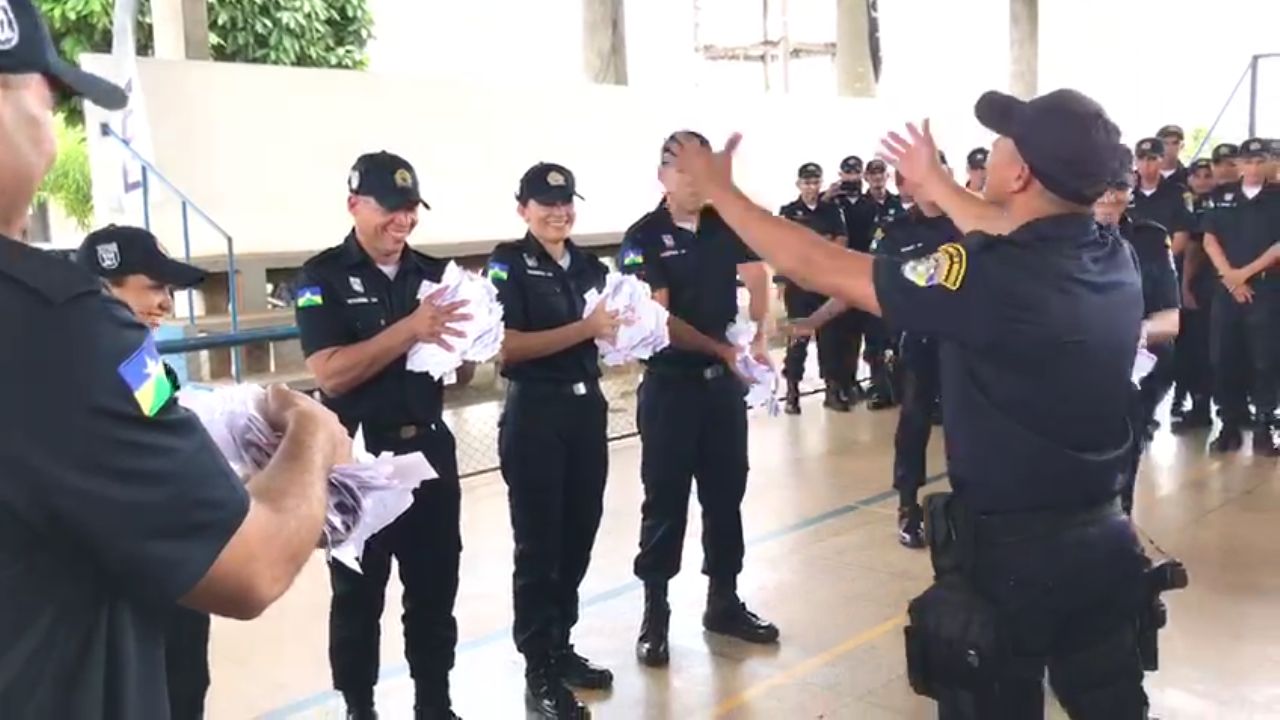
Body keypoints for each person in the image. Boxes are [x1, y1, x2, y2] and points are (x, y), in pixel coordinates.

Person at [665, 88, 1165, 717]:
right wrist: (940, 184)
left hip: (1010, 562)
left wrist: (722, 192)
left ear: (1018, 174)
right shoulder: (1110, 256)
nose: (989, 156)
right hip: (1103, 542)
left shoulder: (983, 275)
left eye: (1004, 143)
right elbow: (1014, 232)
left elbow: (816, 263)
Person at [0, 3, 350, 717]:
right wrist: (311, 433)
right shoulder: (61, 331)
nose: (161, 303)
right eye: (43, 92)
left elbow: (160, 416)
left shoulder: (105, 351)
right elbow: (249, 567)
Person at [294, 151, 473, 720]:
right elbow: (331, 372)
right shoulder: (320, 277)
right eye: (391, 209)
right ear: (354, 204)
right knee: (357, 596)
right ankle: (359, 707)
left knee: (434, 589)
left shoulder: (434, 276)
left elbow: (460, 371)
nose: (404, 220)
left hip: (429, 451)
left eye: (412, 209)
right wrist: (411, 330)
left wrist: (461, 349)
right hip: (358, 461)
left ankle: (434, 703)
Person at [618, 130, 779, 670]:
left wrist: (757, 337)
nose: (693, 182)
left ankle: (724, 602)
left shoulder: (721, 227)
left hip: (721, 387)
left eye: (702, 170)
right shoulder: (644, 239)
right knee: (664, 502)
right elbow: (659, 321)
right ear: (662, 176)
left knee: (726, 494)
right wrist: (719, 347)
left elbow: (759, 272)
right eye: (683, 171)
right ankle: (656, 614)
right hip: (670, 389)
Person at [74, 225, 220, 720]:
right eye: (155, 287)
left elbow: (167, 430)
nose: (166, 305)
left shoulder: (140, 357)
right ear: (105, 285)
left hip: (170, 566)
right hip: (115, 584)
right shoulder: (66, 363)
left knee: (183, 686)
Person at [486, 163, 615, 719]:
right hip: (536, 412)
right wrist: (586, 330)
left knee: (577, 538)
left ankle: (561, 645)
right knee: (539, 545)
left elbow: (615, 326)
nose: (558, 211)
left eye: (564, 202)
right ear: (523, 209)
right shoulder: (508, 263)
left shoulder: (589, 265)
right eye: (544, 203)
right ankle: (537, 665)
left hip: (587, 409)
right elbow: (507, 347)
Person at [1093, 178, 1181, 515]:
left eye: (1117, 185)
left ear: (1129, 192)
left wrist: (1125, 335)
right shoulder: (1056, 237)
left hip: (1134, 367)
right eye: (1100, 184)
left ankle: (1119, 528)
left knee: (1123, 460)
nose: (1107, 195)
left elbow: (1169, 320)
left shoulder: (1150, 239)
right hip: (1073, 369)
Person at [1200, 137, 1280, 456]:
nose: (1253, 167)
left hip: (1266, 287)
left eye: (1260, 160)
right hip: (1228, 290)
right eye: (1248, 161)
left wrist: (1244, 274)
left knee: (1266, 359)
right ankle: (1229, 425)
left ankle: (1264, 425)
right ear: (1239, 165)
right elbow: (1209, 240)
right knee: (1224, 357)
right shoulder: (1223, 196)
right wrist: (1231, 278)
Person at [1127, 137, 1194, 437]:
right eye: (1142, 159)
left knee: (1163, 347)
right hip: (1127, 274)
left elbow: (1180, 236)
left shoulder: (1176, 194)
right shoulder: (1129, 196)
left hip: (1163, 272)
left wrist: (1160, 256)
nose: (1147, 164)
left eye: (1153, 158)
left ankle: (1150, 411)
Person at [777, 162, 852, 413]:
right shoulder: (789, 211)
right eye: (806, 182)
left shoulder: (831, 210)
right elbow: (784, 246)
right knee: (798, 337)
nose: (811, 187)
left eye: (815, 182)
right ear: (798, 184)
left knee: (830, 339)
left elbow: (840, 241)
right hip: (798, 284)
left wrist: (813, 248)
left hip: (825, 282)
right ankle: (792, 392)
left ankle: (832, 391)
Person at [1170, 158, 1218, 431]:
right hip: (1178, 282)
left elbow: (1195, 249)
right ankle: (1187, 402)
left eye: (1207, 175)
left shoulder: (1219, 205)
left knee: (1200, 348)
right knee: (1185, 348)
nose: (1202, 180)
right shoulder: (1185, 205)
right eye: (1196, 175)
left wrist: (1186, 286)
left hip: (1202, 286)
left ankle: (1201, 408)